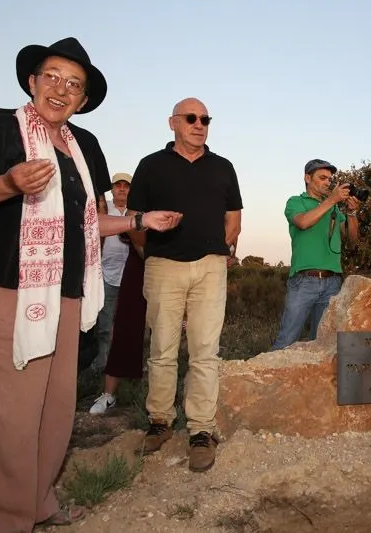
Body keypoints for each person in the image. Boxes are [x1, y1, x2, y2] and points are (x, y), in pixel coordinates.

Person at [0, 37, 181, 532]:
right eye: (53, 77)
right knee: (6, 414)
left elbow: (86, 221)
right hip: (5, 287)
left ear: (83, 100)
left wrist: (142, 219)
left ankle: (38, 502)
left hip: (66, 292)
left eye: (74, 84)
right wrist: (8, 184)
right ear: (31, 81)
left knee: (52, 409)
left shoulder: (85, 147)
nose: (62, 89)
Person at [127, 97, 243, 473]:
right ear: (172, 122)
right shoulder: (150, 165)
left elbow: (233, 219)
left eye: (205, 118)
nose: (199, 124)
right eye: (191, 118)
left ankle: (200, 431)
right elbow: (135, 221)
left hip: (211, 267)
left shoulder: (223, 167)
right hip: (163, 266)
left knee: (205, 351)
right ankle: (160, 421)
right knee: (162, 348)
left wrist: (222, 252)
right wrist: (152, 260)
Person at [272, 159, 360, 349]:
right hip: (304, 281)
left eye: (329, 179)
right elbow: (303, 222)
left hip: (332, 282)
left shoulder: (334, 208)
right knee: (287, 339)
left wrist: (352, 214)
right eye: (322, 178)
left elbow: (352, 239)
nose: (328, 182)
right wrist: (332, 200)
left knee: (322, 344)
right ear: (307, 178)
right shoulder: (296, 201)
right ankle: (269, 377)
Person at [89, 237, 147, 415]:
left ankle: (165, 399)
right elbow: (132, 227)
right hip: (143, 260)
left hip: (178, 264)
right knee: (125, 325)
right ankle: (108, 394)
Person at [91, 172, 133, 371]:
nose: (122, 189)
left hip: (130, 276)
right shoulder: (103, 208)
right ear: (113, 188)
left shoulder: (136, 212)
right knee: (104, 325)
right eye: (118, 185)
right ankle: (103, 364)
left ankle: (127, 365)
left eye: (126, 185)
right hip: (106, 275)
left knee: (129, 324)